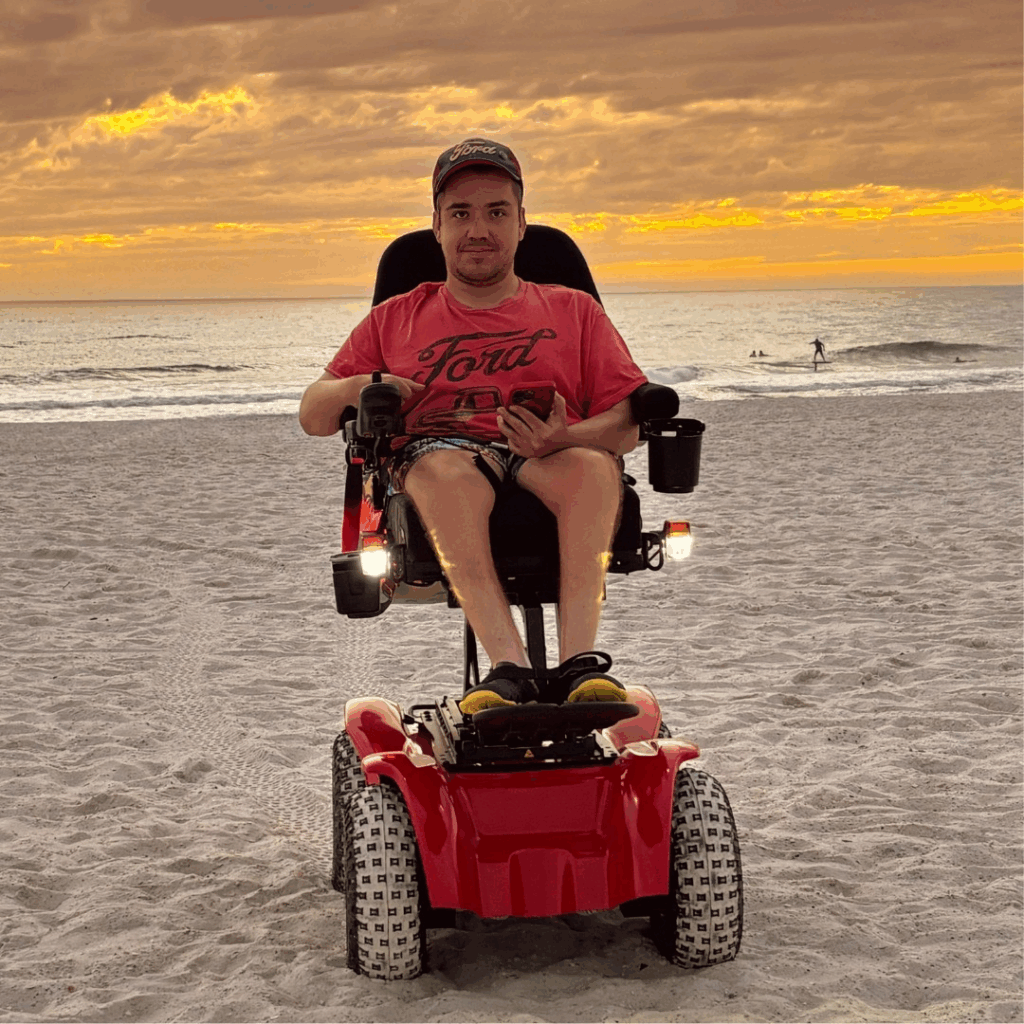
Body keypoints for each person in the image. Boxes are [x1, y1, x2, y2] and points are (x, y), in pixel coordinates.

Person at [299, 138, 648, 715]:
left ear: (521, 224)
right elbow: (313, 414)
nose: (478, 229)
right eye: (460, 213)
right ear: (437, 226)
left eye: (495, 212)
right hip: (442, 454)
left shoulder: (574, 311)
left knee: (591, 465)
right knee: (443, 473)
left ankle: (579, 665)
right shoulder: (396, 317)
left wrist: (567, 437)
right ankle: (508, 668)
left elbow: (628, 423)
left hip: (547, 451)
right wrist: (360, 386)